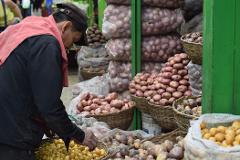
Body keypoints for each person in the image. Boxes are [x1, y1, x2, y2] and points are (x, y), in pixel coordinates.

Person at [0, 3, 97, 160]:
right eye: (73, 40)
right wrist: (78, 135)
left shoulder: (30, 27)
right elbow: (49, 105)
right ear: (66, 27)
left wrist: (50, 125)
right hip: (11, 134)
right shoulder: (47, 44)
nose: (69, 47)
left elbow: (29, 83)